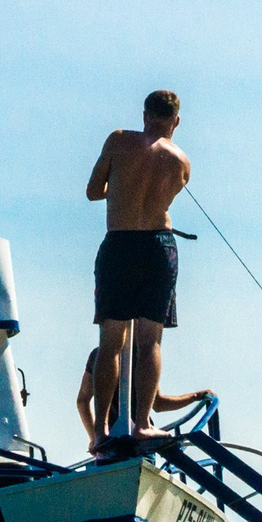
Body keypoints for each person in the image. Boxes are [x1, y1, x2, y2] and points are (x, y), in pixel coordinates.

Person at [85, 89, 192, 445]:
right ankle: (143, 421)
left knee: (111, 341)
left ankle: (101, 429)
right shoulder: (181, 162)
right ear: (176, 121)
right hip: (159, 247)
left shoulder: (118, 141)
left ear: (144, 115)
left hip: (120, 243)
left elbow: (92, 190)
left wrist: (119, 189)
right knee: (150, 342)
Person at [76, 349, 210, 446]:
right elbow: (158, 403)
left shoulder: (99, 356)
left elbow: (82, 401)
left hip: (109, 441)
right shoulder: (143, 357)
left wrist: (95, 438)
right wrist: (195, 396)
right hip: (140, 442)